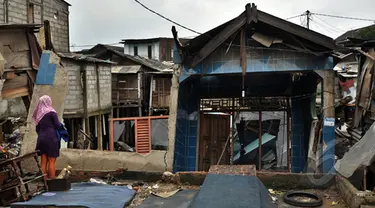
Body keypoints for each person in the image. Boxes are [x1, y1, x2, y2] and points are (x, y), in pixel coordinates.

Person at [32, 95, 60, 179]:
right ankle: (52, 181)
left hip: (41, 139)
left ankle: (44, 182)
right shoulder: (51, 112)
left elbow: (37, 129)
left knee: (43, 162)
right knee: (52, 161)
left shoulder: (38, 115)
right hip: (51, 139)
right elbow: (57, 125)